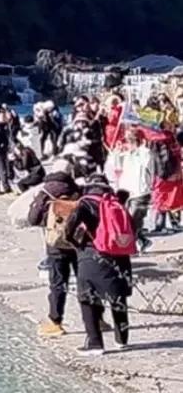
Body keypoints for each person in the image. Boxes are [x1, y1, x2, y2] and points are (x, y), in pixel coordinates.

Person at [63, 173, 135, 351]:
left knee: (89, 299)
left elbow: (69, 227)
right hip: (120, 256)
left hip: (92, 255)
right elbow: (133, 228)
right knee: (118, 299)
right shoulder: (117, 203)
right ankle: (122, 340)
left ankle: (95, 343)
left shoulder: (86, 203)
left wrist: (76, 243)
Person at [29, 158, 82, 335]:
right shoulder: (77, 190)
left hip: (56, 243)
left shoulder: (45, 191)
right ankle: (97, 319)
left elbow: (33, 218)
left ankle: (55, 322)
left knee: (58, 283)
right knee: (85, 281)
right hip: (77, 242)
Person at [108, 126, 153, 248]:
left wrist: (138, 148)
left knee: (133, 220)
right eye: (127, 140)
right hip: (126, 191)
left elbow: (147, 162)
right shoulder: (125, 154)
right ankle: (142, 241)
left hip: (141, 192)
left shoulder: (145, 153)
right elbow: (116, 166)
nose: (128, 143)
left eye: (131, 140)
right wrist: (116, 152)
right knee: (125, 221)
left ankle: (129, 246)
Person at [149, 123, 183, 234]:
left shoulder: (159, 139)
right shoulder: (168, 139)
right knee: (172, 198)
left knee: (162, 198)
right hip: (172, 172)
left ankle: (162, 224)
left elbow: (161, 159)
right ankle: (173, 223)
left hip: (164, 174)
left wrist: (162, 174)